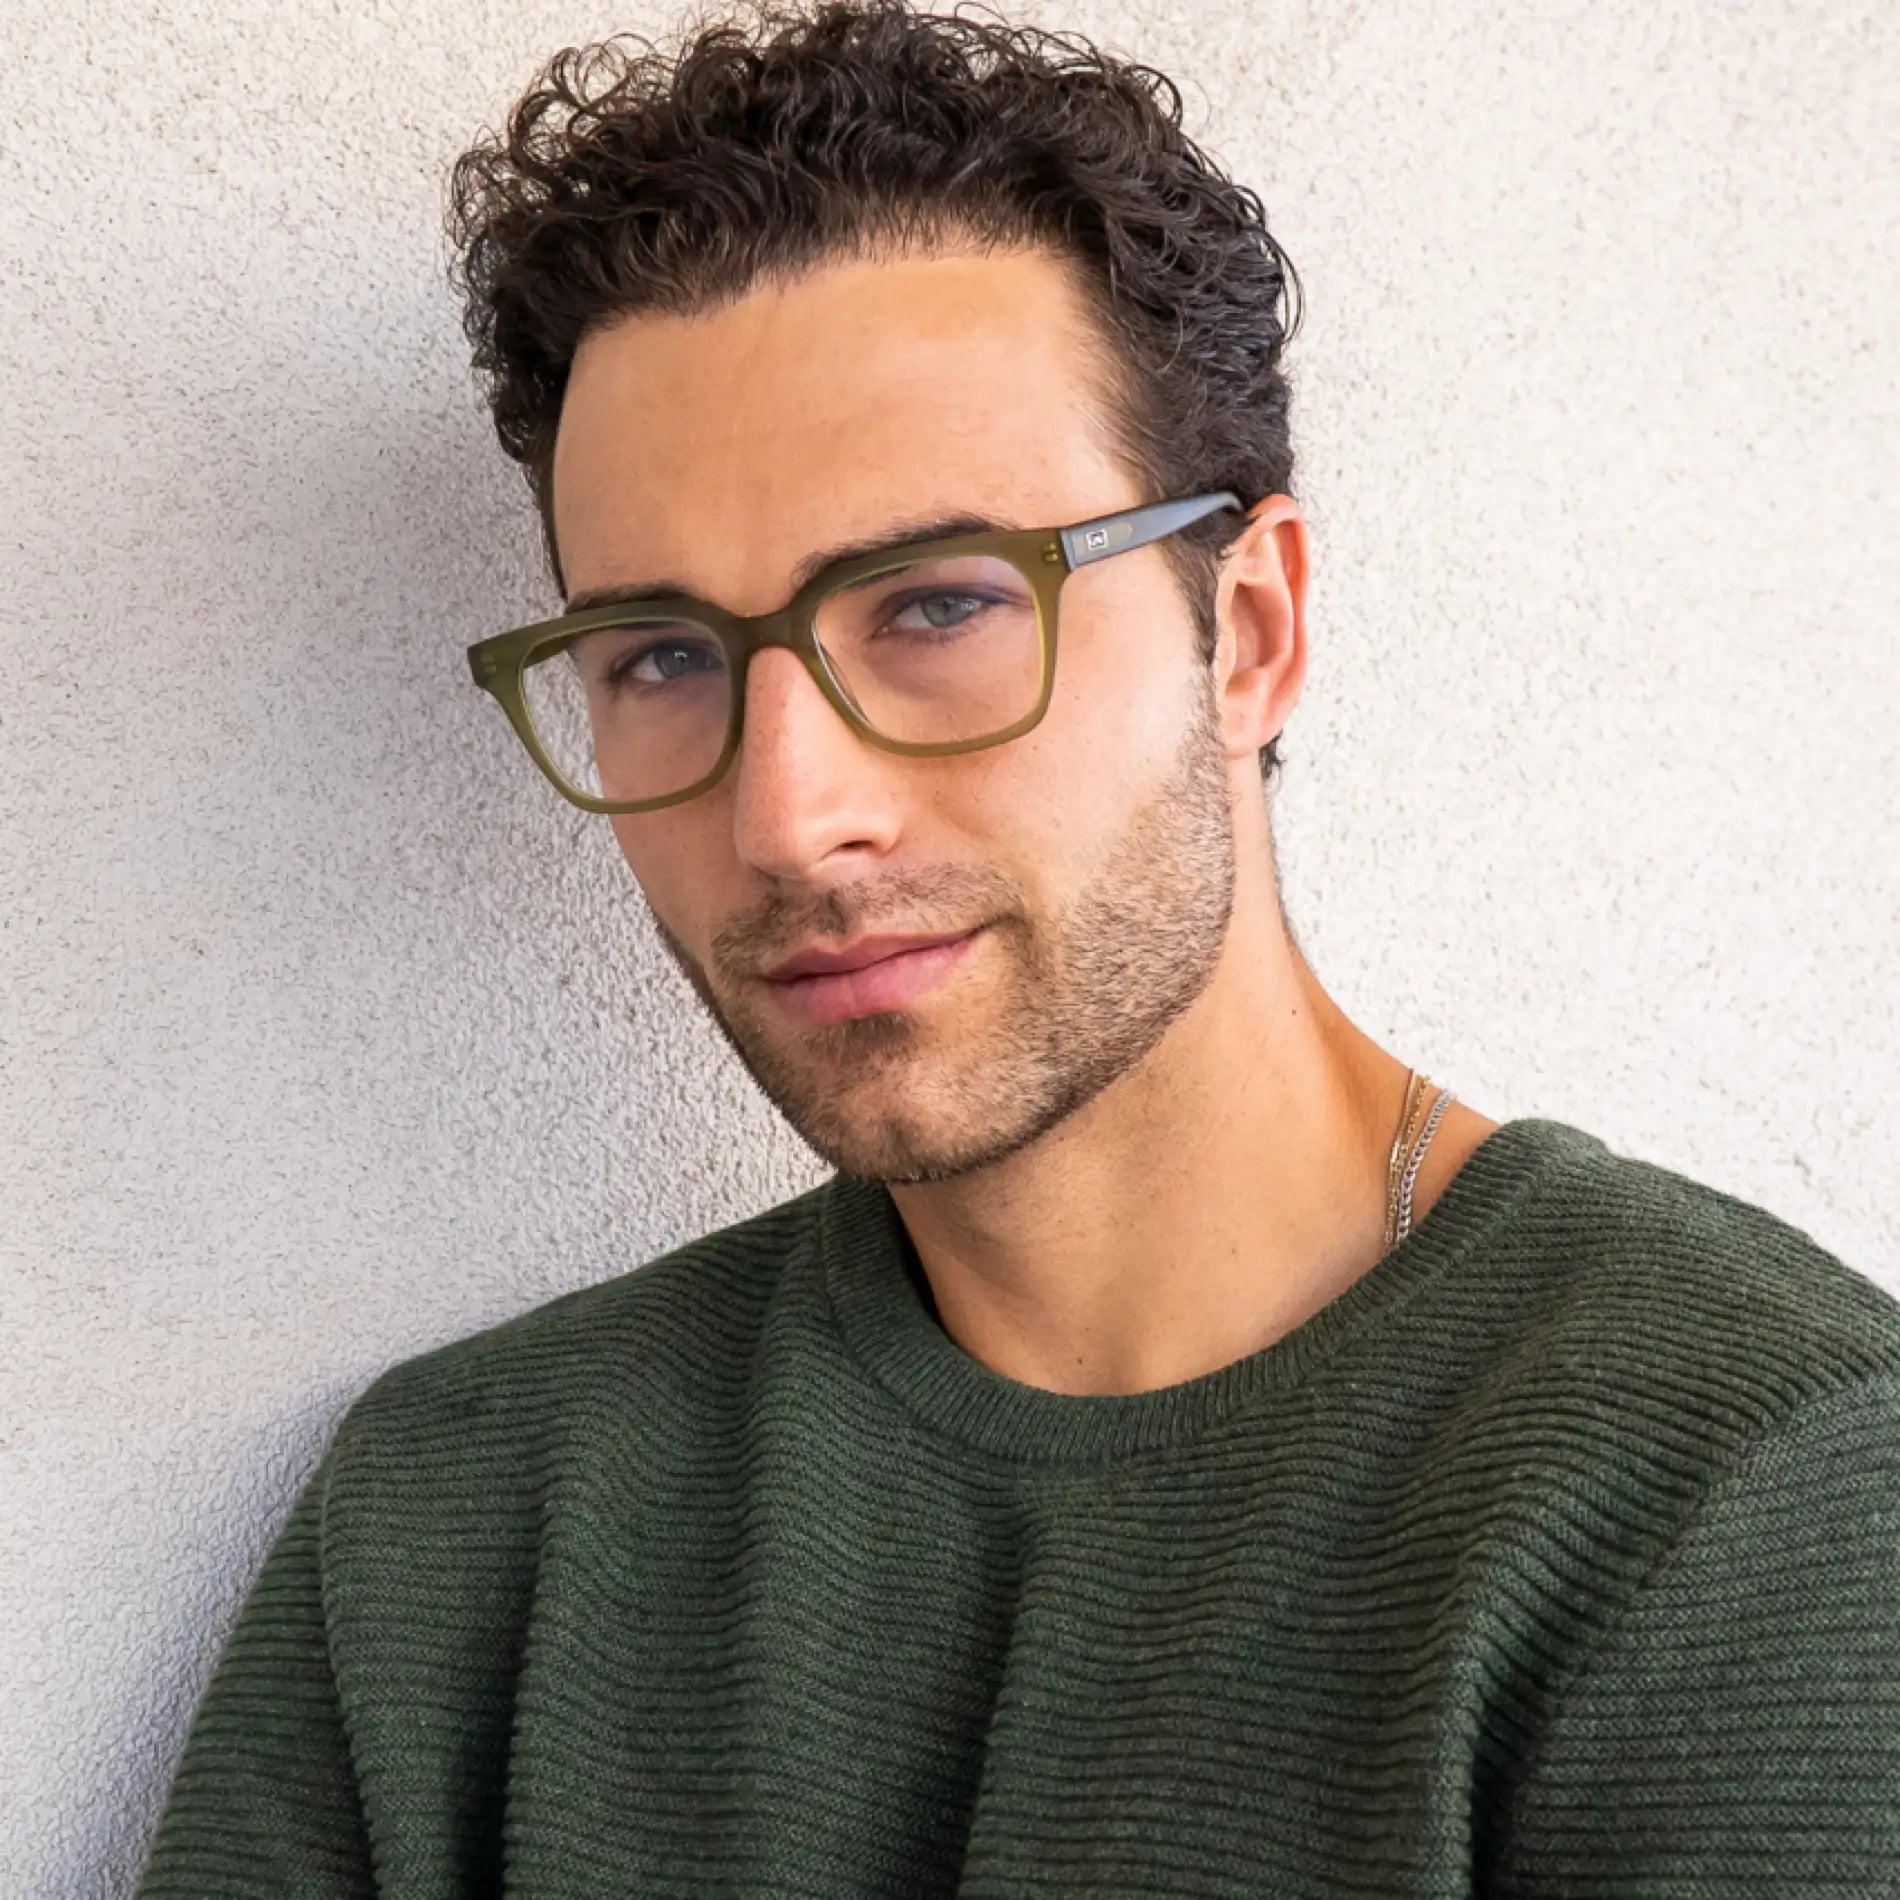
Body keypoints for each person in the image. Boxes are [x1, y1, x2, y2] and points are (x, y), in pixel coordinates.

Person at [135, 4, 1900, 1893]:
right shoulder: (460, 1517)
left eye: (941, 605)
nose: (790, 816)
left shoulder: (1751, 1497)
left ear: (1250, 632)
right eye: (660, 656)